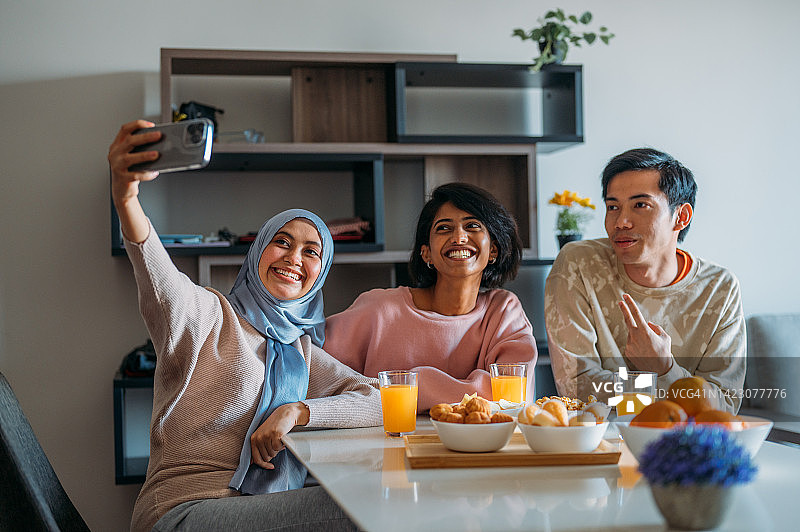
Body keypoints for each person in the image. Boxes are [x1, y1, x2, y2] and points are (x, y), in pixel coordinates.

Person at [108, 120, 381, 532]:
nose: (294, 258)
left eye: (311, 251)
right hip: (183, 512)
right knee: (364, 503)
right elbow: (158, 277)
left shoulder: (301, 352)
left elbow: (379, 400)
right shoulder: (207, 315)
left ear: (320, 273)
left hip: (260, 513)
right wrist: (126, 197)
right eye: (283, 242)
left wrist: (297, 411)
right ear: (258, 252)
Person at [545, 148, 745, 413]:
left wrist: (664, 367)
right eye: (613, 207)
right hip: (601, 444)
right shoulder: (578, 265)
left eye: (640, 205)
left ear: (681, 217)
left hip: (682, 445)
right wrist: (670, 387)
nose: (621, 222)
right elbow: (577, 389)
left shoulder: (719, 288)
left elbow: (723, 407)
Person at [323, 182, 538, 411]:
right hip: (383, 443)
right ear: (426, 253)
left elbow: (512, 398)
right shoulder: (379, 309)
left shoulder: (503, 311)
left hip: (479, 446)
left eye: (472, 226)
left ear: (493, 249)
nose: (459, 237)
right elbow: (316, 369)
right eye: (444, 228)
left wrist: (411, 385)